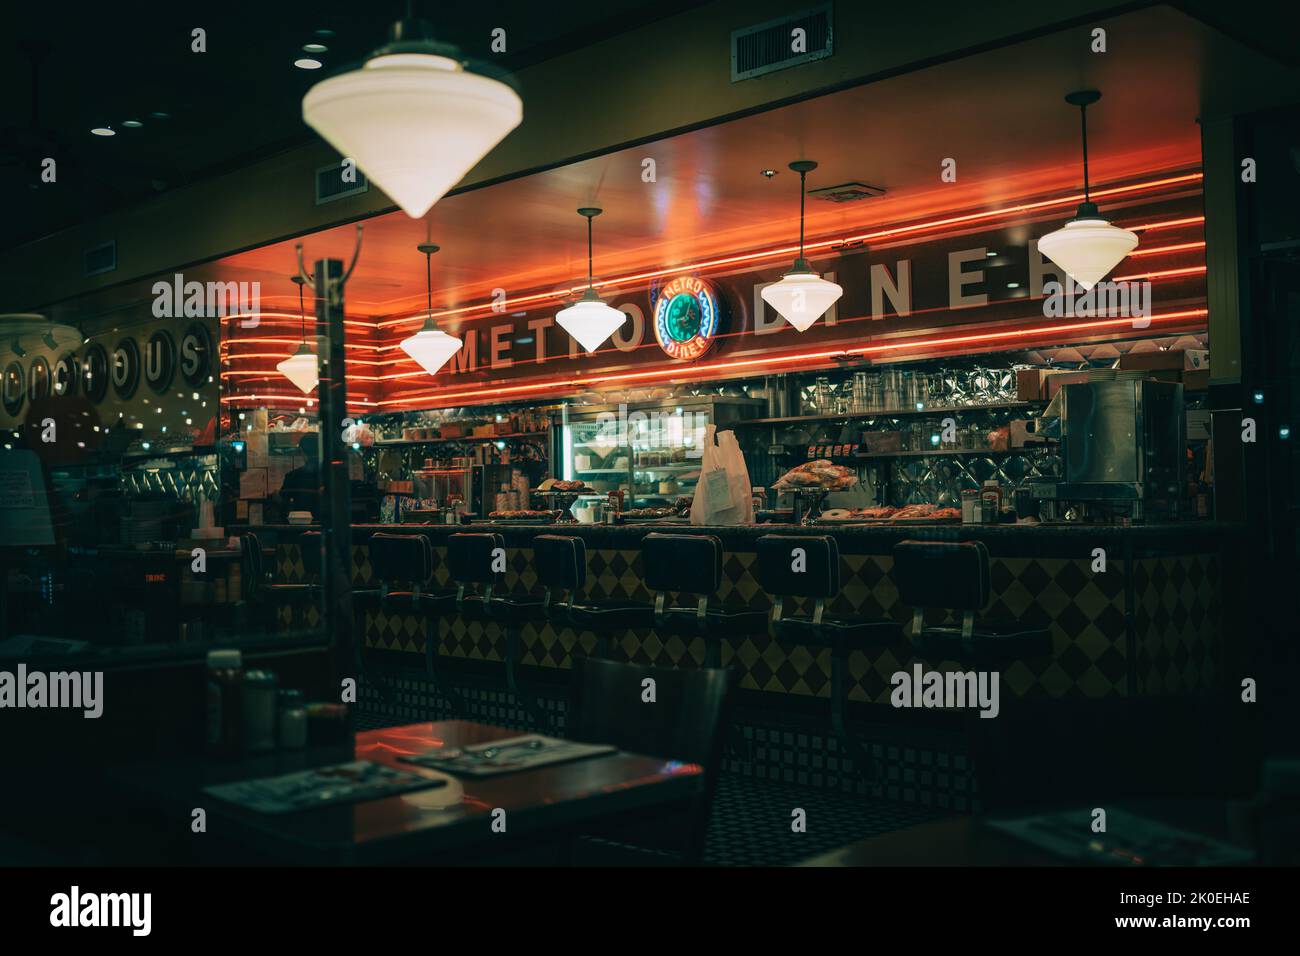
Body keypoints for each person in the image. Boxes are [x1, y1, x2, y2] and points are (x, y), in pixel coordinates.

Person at [277, 432, 321, 519]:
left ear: (302, 451)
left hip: (301, 524)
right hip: (330, 525)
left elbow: (283, 505)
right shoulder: (334, 476)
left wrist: (276, 497)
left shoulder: (292, 476)